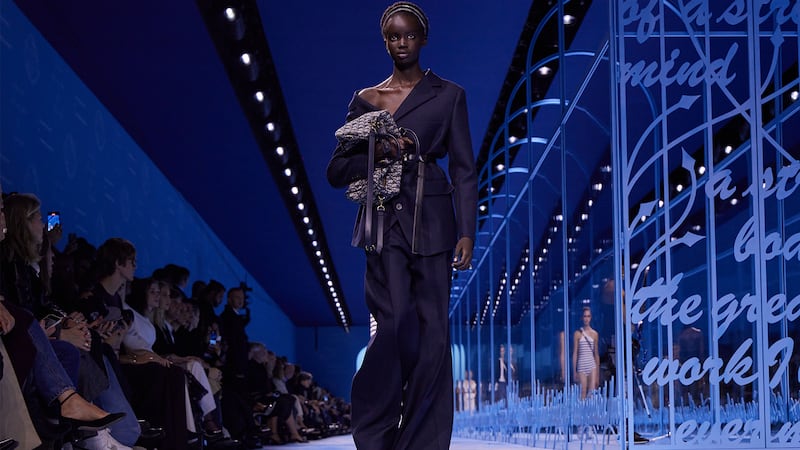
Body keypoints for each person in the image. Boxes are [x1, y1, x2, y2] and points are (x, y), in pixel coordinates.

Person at [326, 3, 477, 449]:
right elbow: (336, 172)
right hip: (383, 222)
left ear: (423, 39)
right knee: (393, 326)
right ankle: (374, 433)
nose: (401, 43)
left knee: (433, 337)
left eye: (409, 35)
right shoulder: (366, 100)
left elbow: (465, 168)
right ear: (385, 42)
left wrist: (467, 230)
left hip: (434, 221)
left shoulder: (449, 95)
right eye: (393, 37)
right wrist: (379, 152)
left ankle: (421, 443)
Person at [573, 307, 600, 399]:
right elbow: (575, 353)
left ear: (591, 317)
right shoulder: (577, 333)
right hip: (581, 365)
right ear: (582, 318)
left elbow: (596, 354)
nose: (586, 318)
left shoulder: (595, 334)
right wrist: (574, 371)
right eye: (585, 316)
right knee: (583, 392)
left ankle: (591, 413)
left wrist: (598, 374)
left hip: (591, 365)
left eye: (588, 316)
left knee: (592, 393)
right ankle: (581, 412)